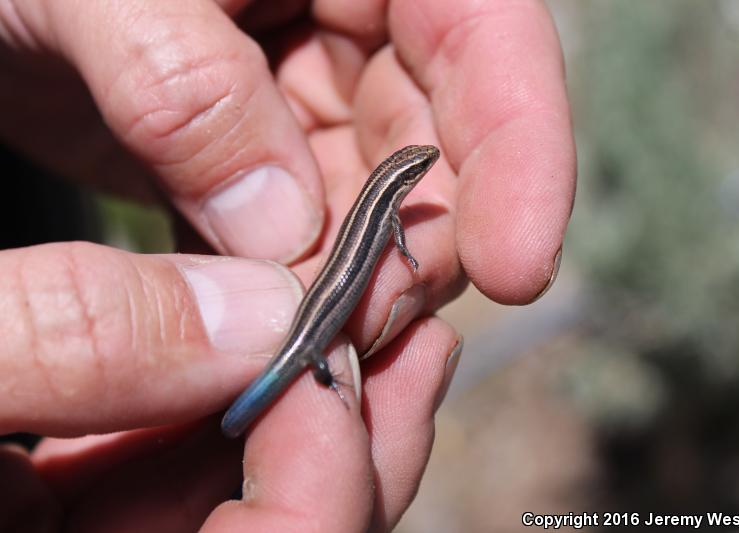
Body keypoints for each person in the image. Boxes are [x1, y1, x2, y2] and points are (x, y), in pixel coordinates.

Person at [0, 1, 576, 530]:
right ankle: (295, 392)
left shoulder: (382, 206)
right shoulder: (387, 211)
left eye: (418, 168)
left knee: (287, 398)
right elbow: (394, 242)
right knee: (306, 374)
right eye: (416, 169)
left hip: (305, 315)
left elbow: (393, 239)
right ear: (403, 181)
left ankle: (266, 407)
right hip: (306, 332)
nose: (423, 170)